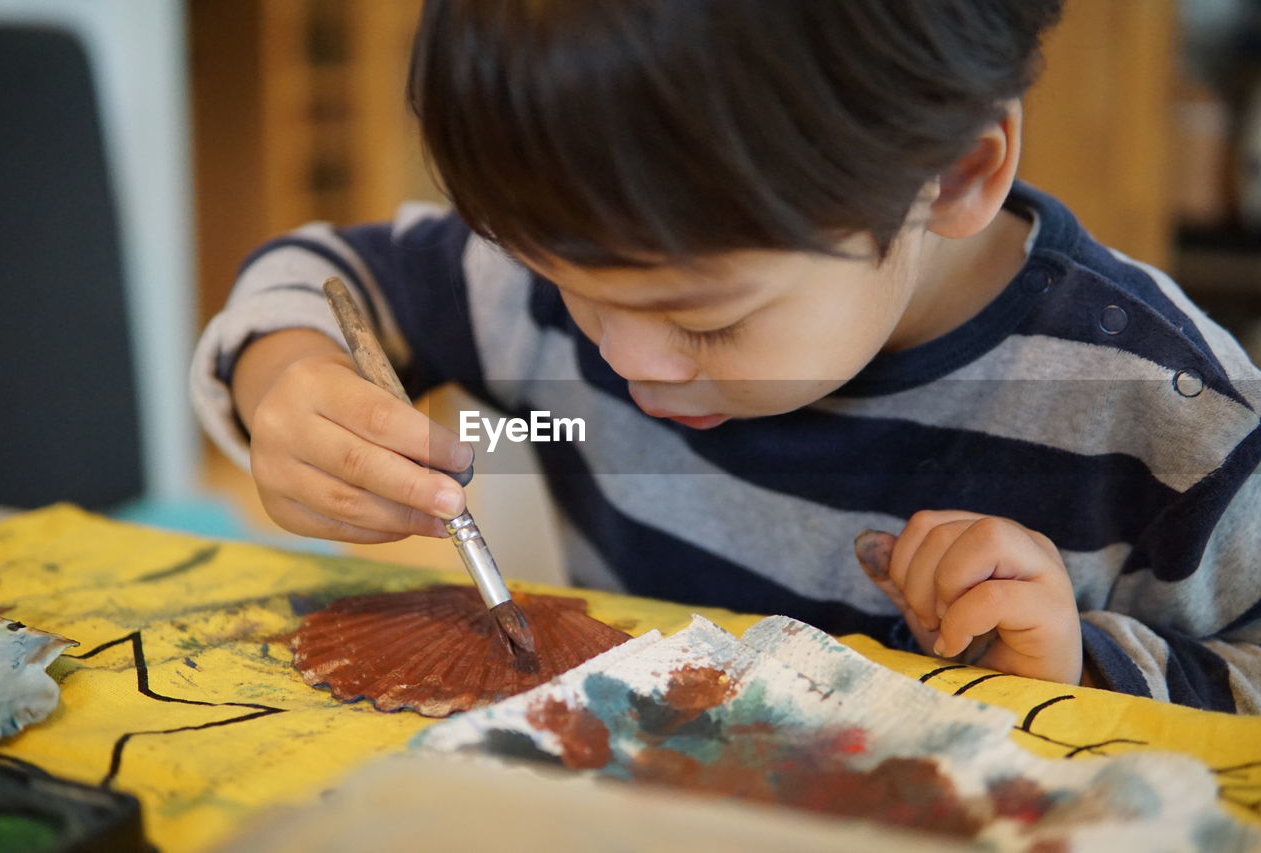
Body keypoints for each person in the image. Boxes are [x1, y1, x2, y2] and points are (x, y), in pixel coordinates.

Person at [192, 0, 1261, 713]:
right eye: (573, 287)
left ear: (951, 177)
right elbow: (326, 266)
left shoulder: (1168, 416)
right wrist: (282, 376)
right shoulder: (587, 250)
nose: (624, 360)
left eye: (705, 321)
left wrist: (1080, 667)